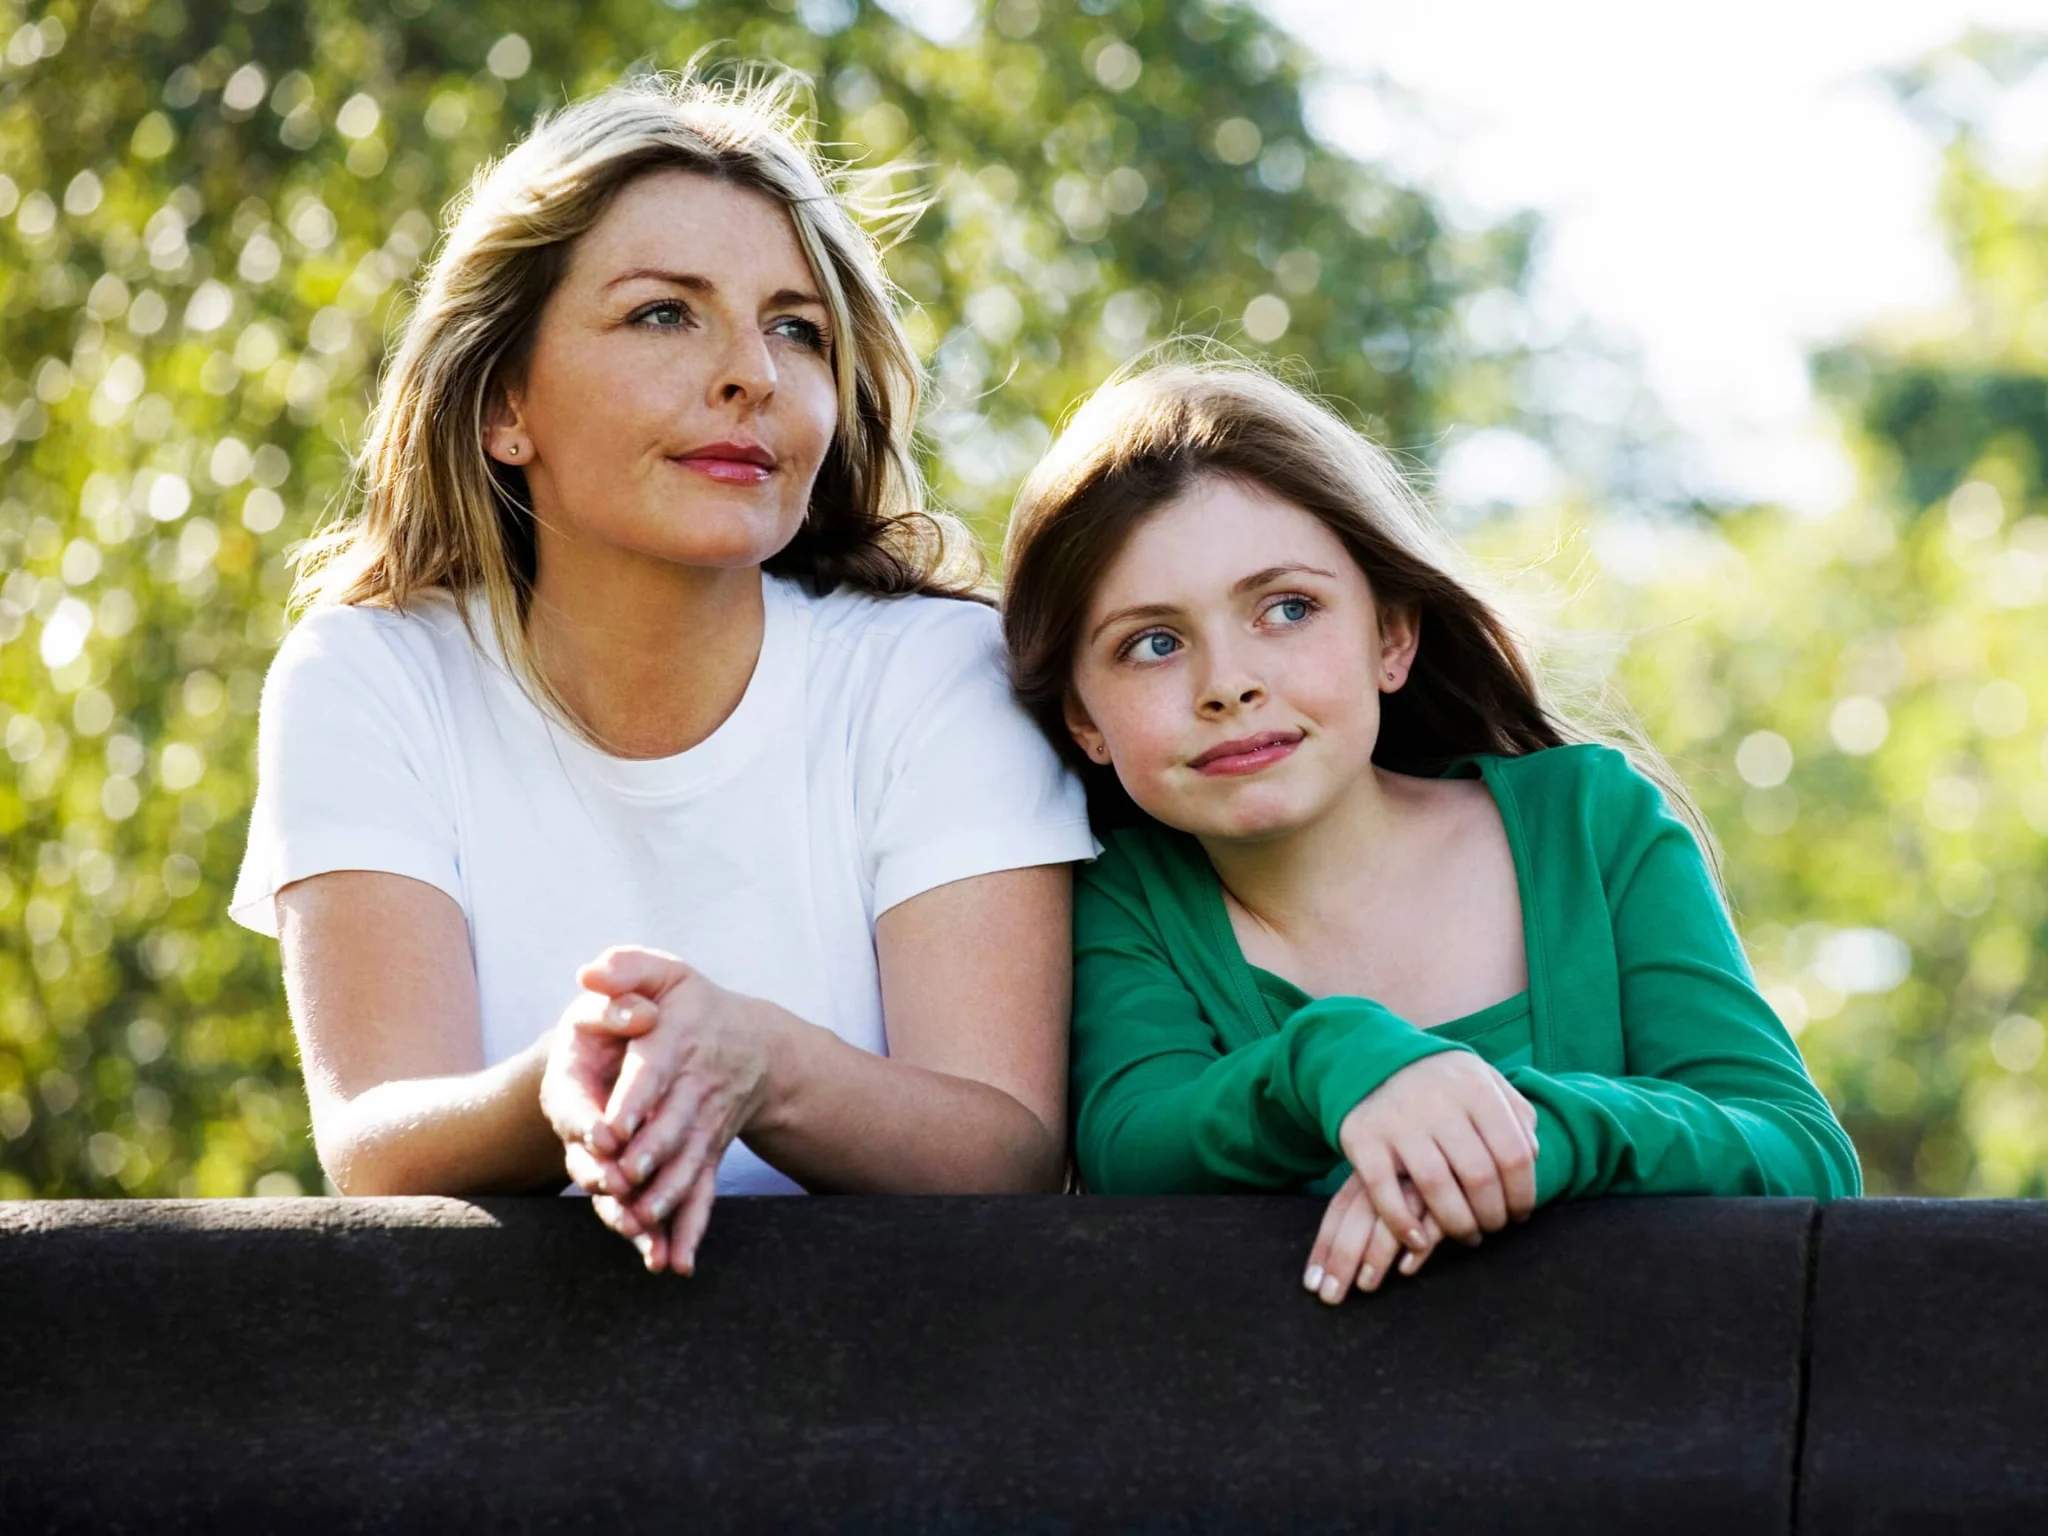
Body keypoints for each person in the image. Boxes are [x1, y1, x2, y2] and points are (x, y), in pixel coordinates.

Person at [230, 73, 1094, 1274]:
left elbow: (1007, 1149)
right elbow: (376, 1142)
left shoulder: (938, 673)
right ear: (502, 405)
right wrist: (557, 1085)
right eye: (662, 314)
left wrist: (757, 1063)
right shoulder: (363, 679)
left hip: (891, 1395)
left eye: (796, 328)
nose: (753, 372)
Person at [1000, 359, 1860, 1305]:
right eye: (1152, 643)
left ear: (1392, 637)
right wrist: (1338, 1060)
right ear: (1083, 717)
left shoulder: (1591, 823)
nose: (1227, 682)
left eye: (1287, 608)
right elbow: (1133, 1147)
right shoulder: (1119, 900)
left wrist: (1513, 1137)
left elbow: (1802, 1153)